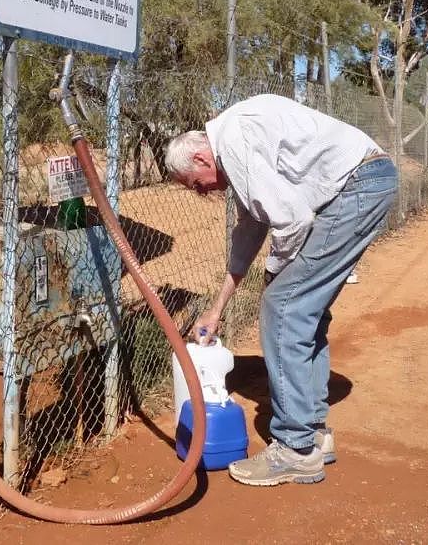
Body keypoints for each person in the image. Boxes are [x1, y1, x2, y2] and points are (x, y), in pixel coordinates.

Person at [165, 93, 397, 487]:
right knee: (306, 310)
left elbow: (291, 219)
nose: (202, 192)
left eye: (195, 184)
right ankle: (314, 436)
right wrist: (217, 308)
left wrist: (275, 275)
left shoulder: (233, 141)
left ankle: (295, 449)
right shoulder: (234, 140)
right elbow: (251, 229)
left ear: (202, 160)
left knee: (284, 307)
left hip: (353, 188)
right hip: (364, 182)